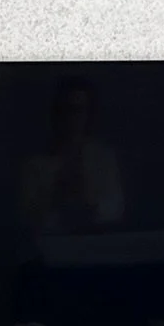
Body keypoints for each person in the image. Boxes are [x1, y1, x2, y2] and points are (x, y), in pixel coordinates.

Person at [19, 78, 125, 233]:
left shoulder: (104, 158)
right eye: (64, 110)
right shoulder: (34, 164)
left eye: (77, 110)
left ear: (89, 114)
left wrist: (89, 211)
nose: (70, 118)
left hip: (98, 242)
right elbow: (26, 216)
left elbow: (116, 207)